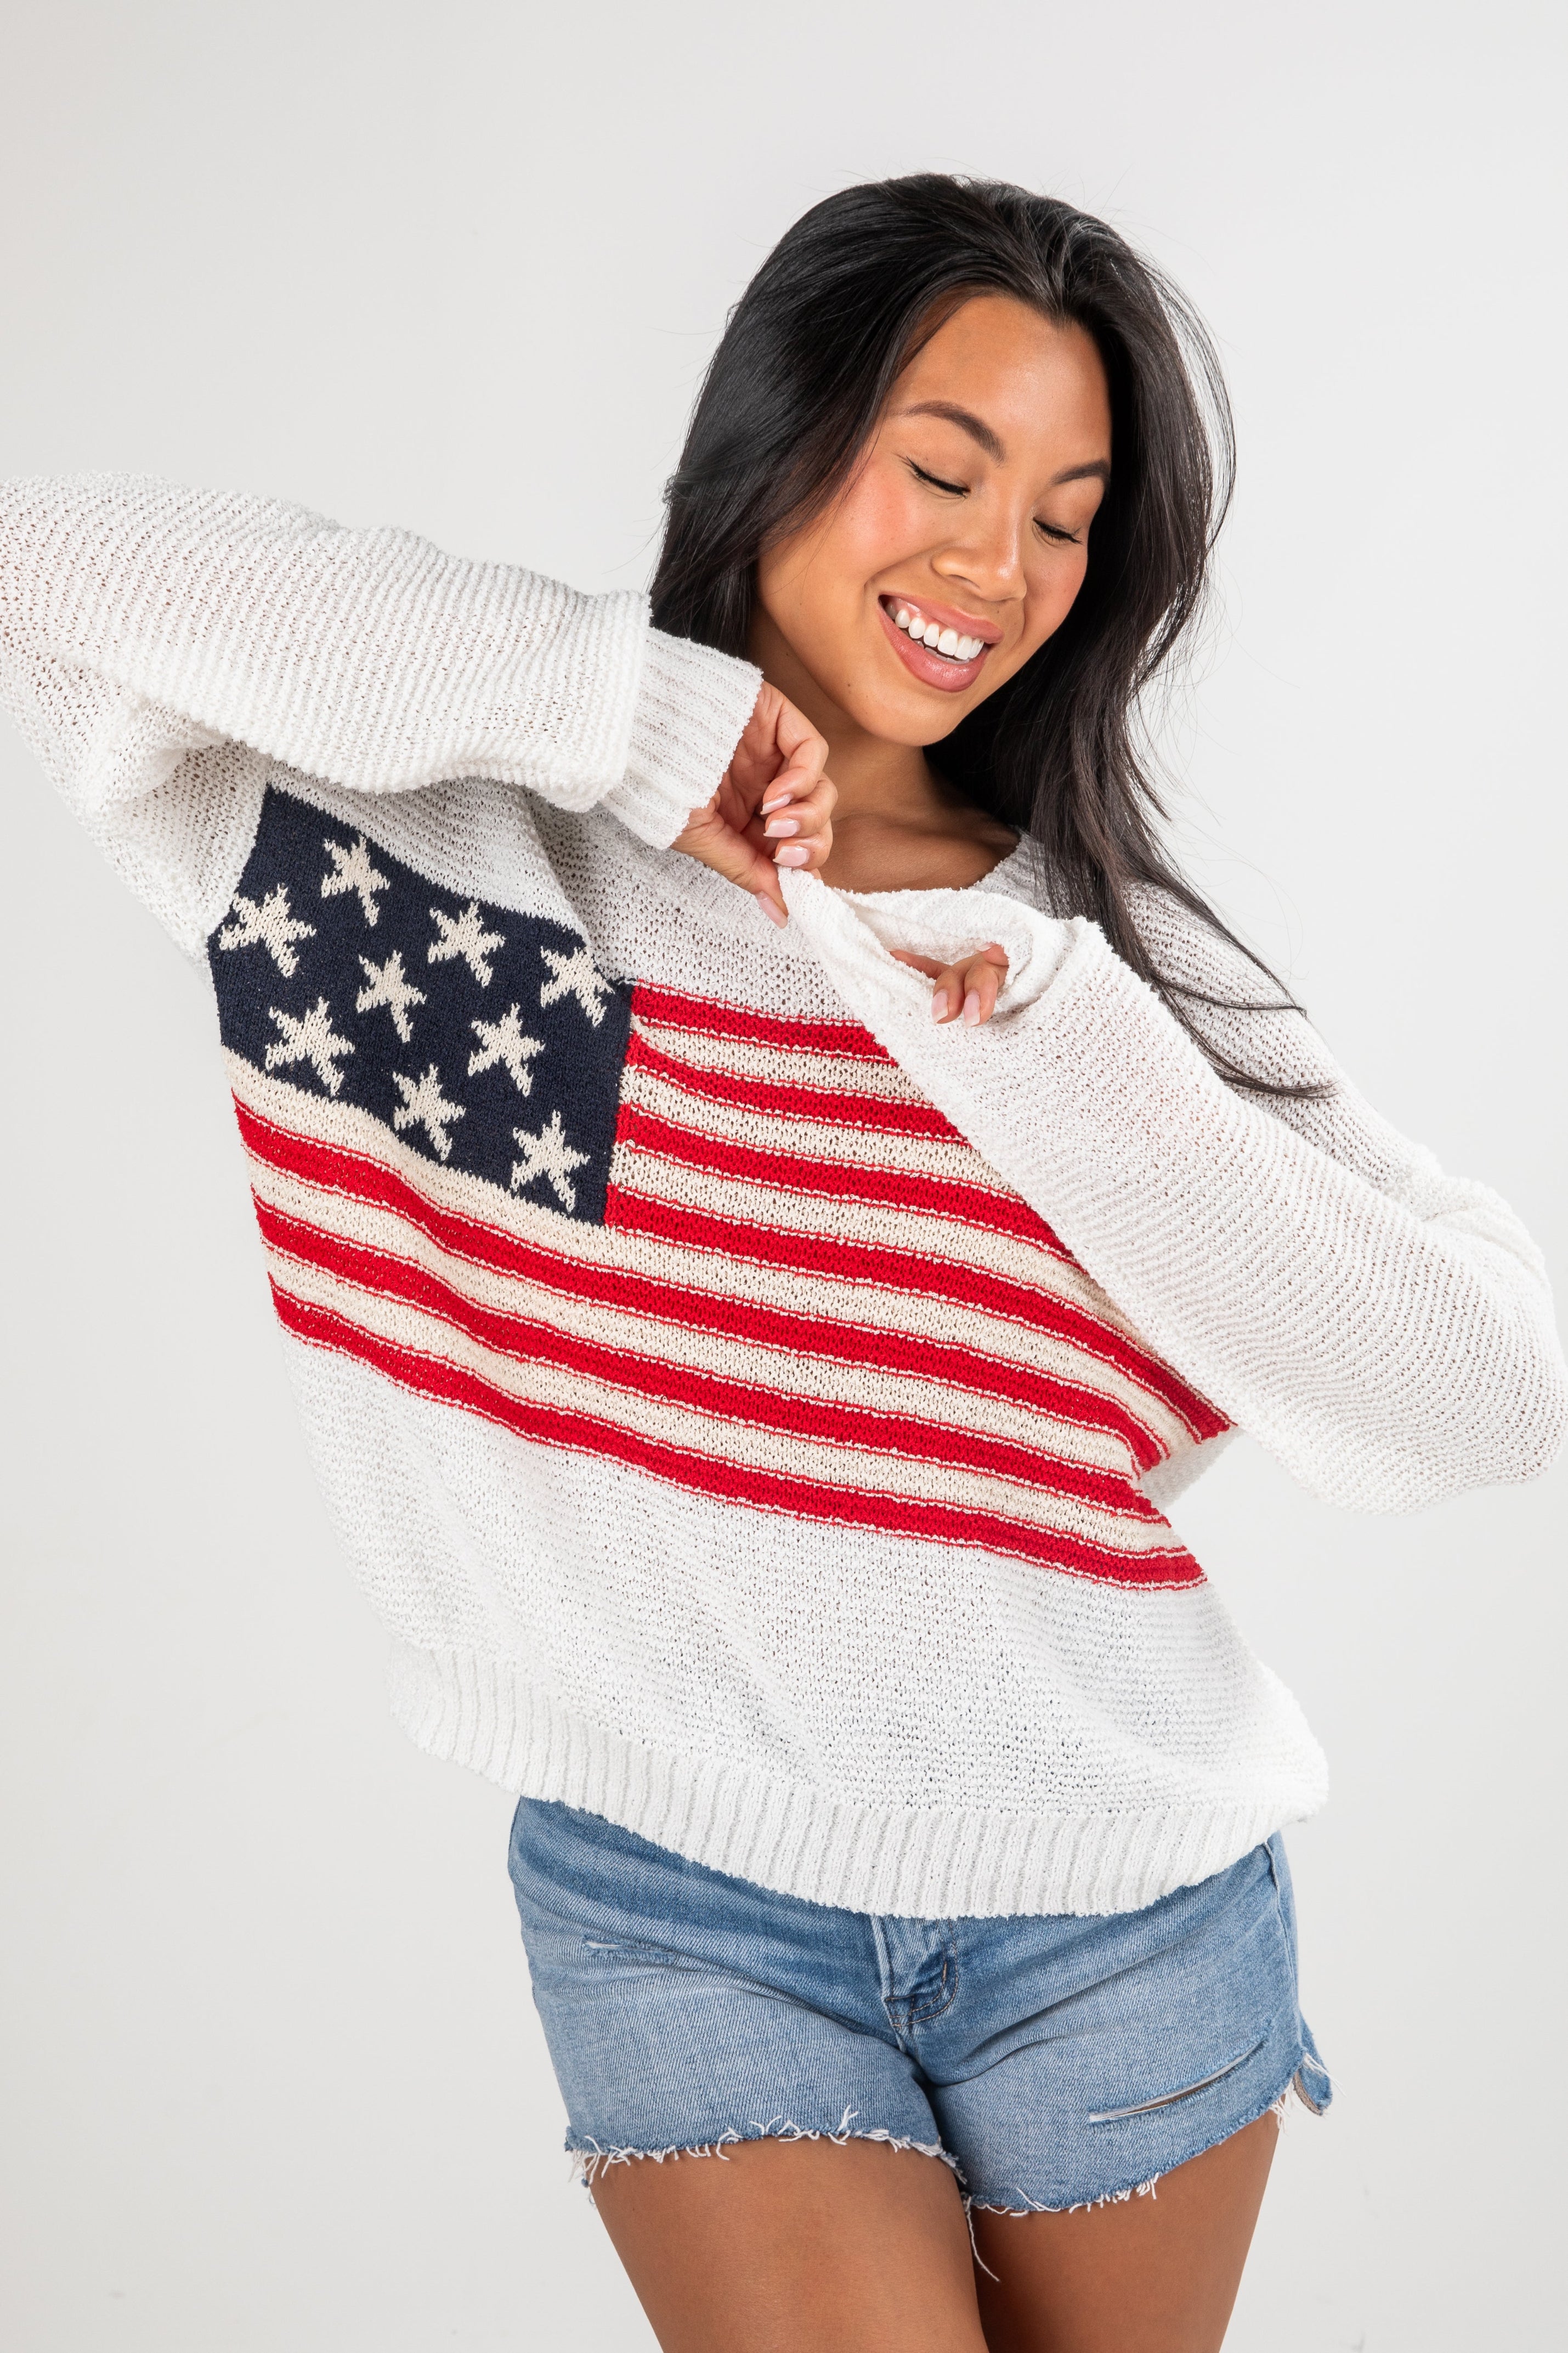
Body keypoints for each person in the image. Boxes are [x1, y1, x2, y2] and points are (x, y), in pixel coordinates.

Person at [1, 173, 1561, 2353]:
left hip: (1123, 1911)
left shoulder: (1084, 956)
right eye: (941, 468)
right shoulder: (475, 892)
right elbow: (52, 567)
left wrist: (1071, 1061)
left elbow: (1485, 1381)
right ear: (779, 441)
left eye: (1065, 515)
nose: (995, 563)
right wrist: (642, 726)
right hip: (680, 1898)